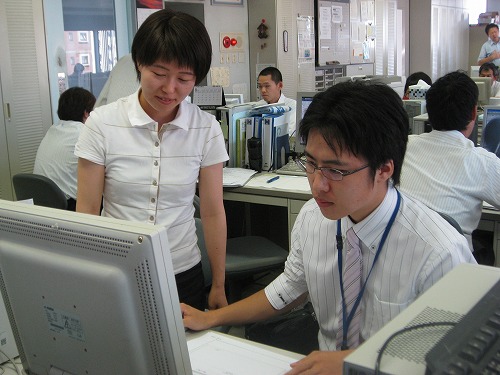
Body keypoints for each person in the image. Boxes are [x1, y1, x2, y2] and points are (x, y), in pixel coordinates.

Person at [182, 81, 475, 374]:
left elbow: (457, 358)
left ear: (385, 169)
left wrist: (358, 363)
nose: (318, 185)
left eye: (336, 170)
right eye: (310, 163)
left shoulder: (440, 252)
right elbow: (289, 289)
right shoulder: (313, 217)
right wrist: (211, 319)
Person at [75, 9, 229, 311]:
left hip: (183, 274)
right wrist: (87, 275)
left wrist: (220, 284)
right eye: (159, 74)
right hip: (116, 271)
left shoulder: (206, 128)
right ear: (139, 63)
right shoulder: (102, 123)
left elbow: (212, 212)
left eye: (184, 79)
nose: (170, 89)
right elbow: (88, 209)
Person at [400, 70, 500, 253]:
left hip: (401, 259)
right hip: (453, 269)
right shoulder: (482, 162)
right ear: (473, 112)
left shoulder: (403, 147)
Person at [33, 87, 96, 211]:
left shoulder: (53, 129)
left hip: (42, 202)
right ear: (86, 113)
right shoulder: (84, 133)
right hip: (67, 206)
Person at [256, 67, 296, 136]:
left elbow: (289, 134)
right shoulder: (258, 106)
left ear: (280, 85)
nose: (263, 90)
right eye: (260, 86)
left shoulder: (292, 106)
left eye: (267, 86)